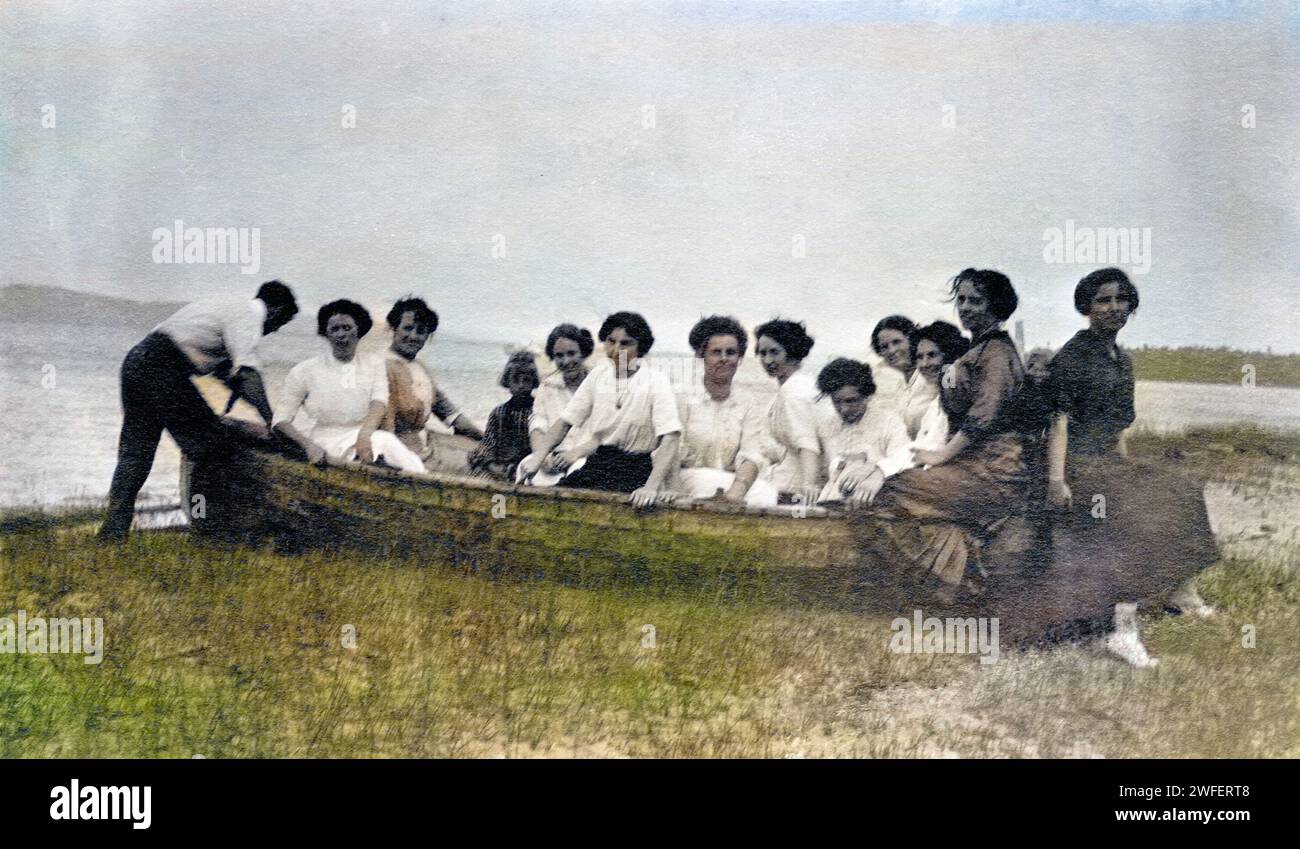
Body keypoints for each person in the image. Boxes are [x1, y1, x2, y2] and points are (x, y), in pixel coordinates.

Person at [1044, 268, 1219, 666]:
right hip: (1078, 465)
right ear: (1086, 307)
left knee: (1182, 488)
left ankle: (1181, 593)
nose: (1114, 308)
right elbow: (1058, 423)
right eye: (1103, 300)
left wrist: (1130, 468)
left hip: (1107, 460)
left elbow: (1118, 426)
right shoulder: (1073, 356)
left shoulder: (1121, 360)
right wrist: (1057, 481)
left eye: (1121, 300)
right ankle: (1121, 631)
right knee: (1134, 510)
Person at [870, 269, 1038, 594]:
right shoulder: (975, 351)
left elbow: (983, 415)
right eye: (960, 299)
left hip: (995, 472)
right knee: (902, 490)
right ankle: (960, 572)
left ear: (997, 306)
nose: (965, 307)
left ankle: (957, 580)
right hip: (973, 467)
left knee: (894, 490)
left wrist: (942, 454)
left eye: (976, 301)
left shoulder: (997, 354)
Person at [98, 280, 299, 541]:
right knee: (211, 448)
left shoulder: (225, 306)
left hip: (137, 361)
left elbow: (227, 374)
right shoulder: (249, 316)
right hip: (163, 367)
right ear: (275, 311)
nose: (273, 331)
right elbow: (248, 373)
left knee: (135, 454)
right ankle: (207, 527)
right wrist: (272, 420)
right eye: (279, 325)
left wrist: (242, 392)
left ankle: (112, 532)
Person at [520, 312, 682, 507]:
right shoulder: (598, 375)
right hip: (599, 464)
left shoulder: (656, 381)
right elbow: (565, 422)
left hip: (636, 470)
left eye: (625, 343)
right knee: (554, 503)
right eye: (611, 341)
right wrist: (538, 458)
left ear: (641, 347)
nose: (615, 350)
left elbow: (671, 437)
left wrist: (651, 487)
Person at [273, 299, 425, 474]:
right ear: (326, 334)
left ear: (358, 331)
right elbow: (281, 420)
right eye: (334, 329)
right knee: (382, 447)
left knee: (392, 448)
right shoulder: (304, 370)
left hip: (367, 435)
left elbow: (379, 401)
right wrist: (308, 446)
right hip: (325, 440)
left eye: (347, 328)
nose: (341, 335)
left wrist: (365, 434)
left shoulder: (373, 365)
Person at [670, 316, 778, 507]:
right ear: (701, 355)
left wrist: (736, 493)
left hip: (730, 482)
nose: (724, 359)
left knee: (767, 494)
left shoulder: (747, 402)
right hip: (682, 479)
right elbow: (669, 451)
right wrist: (675, 494)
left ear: (740, 357)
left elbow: (752, 454)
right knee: (708, 484)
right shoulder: (682, 396)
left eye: (731, 353)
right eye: (715, 352)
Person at [382, 296, 483, 467]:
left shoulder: (419, 366)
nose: (413, 336)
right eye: (407, 328)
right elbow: (383, 431)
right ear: (394, 328)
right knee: (480, 467)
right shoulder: (382, 366)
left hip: (427, 441)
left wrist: (486, 439)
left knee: (489, 455)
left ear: (428, 336)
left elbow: (448, 412)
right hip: (404, 453)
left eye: (421, 331)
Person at [814, 358, 912, 508]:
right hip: (831, 505)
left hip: (876, 504)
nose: (843, 409)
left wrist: (876, 469)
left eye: (851, 401)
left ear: (867, 396)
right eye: (836, 402)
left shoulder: (889, 422)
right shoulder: (827, 426)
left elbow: (906, 456)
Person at [755, 319, 824, 506]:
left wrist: (809, 485)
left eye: (774, 352)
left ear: (792, 351)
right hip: (786, 473)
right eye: (762, 353)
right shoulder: (793, 387)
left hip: (797, 482)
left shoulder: (796, 392)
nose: (768, 360)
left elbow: (807, 442)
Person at [528, 323, 596, 463]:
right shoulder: (547, 386)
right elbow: (537, 425)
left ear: (583, 352)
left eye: (571, 353)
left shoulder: (599, 384)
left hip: (590, 459)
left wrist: (574, 455)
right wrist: (542, 457)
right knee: (525, 467)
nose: (566, 361)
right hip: (554, 459)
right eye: (559, 355)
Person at [469, 351, 540, 480]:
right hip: (499, 466)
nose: (521, 386)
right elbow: (488, 444)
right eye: (515, 380)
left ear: (533, 382)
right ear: (507, 381)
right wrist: (492, 465)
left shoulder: (539, 411)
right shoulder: (499, 412)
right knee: (478, 480)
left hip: (527, 467)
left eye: (526, 380)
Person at [906, 321, 972, 453]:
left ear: (950, 354)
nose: (925, 364)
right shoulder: (935, 404)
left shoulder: (962, 397)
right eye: (919, 357)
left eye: (932, 355)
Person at [872, 314, 930, 430]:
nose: (892, 350)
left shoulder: (932, 373)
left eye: (897, 342)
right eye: (884, 347)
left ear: (911, 340)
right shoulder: (882, 379)